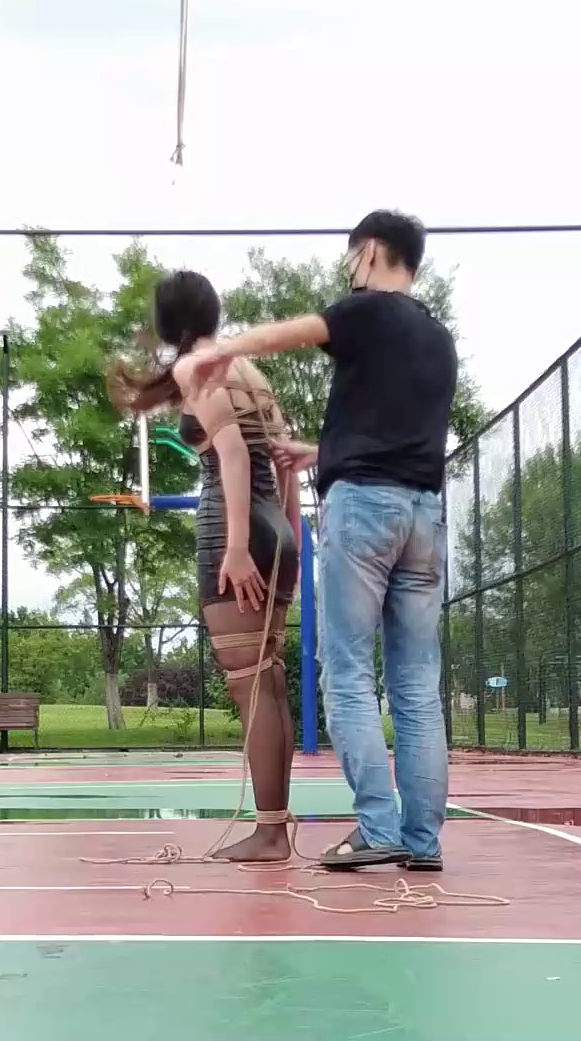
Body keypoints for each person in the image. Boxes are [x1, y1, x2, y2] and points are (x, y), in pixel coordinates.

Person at [177, 210, 456, 872]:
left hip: (363, 514)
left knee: (349, 673)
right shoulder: (439, 338)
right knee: (418, 685)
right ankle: (422, 841)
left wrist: (223, 349)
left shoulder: (370, 309)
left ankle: (378, 829)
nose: (350, 269)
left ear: (372, 251)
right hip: (424, 516)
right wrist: (320, 452)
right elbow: (398, 435)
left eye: (353, 256)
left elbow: (296, 331)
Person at [109, 270, 303, 862]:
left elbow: (235, 454)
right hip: (275, 526)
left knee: (250, 682)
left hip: (235, 527)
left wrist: (238, 548)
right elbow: (286, 462)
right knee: (267, 678)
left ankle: (270, 832)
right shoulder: (250, 371)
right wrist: (291, 537)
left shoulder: (201, 368)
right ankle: (273, 825)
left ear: (171, 321)